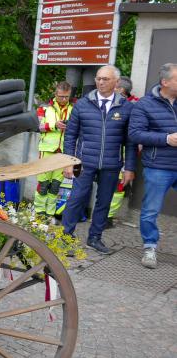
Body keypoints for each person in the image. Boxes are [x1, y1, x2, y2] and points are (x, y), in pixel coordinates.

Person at [61, 65, 136, 254]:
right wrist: (69, 161)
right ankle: (66, 238)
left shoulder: (126, 107)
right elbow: (70, 135)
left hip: (111, 164)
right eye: (98, 78)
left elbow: (131, 142)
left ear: (116, 83)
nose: (100, 82)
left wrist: (129, 167)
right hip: (83, 162)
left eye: (105, 79)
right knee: (76, 198)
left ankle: (94, 238)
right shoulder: (82, 104)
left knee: (104, 202)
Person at [128, 63, 177, 268]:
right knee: (150, 210)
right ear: (165, 82)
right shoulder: (144, 105)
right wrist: (165, 138)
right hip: (159, 166)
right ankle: (149, 247)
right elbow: (135, 134)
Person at [33, 81, 74, 218]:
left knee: (55, 186)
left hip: (63, 152)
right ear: (55, 94)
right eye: (61, 96)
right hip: (46, 150)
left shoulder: (74, 109)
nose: (63, 99)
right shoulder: (44, 108)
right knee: (43, 184)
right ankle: (39, 212)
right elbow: (36, 127)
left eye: (66, 97)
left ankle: (49, 214)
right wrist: (54, 125)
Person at [107, 76, 139, 225]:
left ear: (121, 90)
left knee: (119, 186)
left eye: (115, 86)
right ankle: (103, 214)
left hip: (127, 153)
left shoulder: (135, 105)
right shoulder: (112, 101)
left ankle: (108, 216)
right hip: (111, 151)